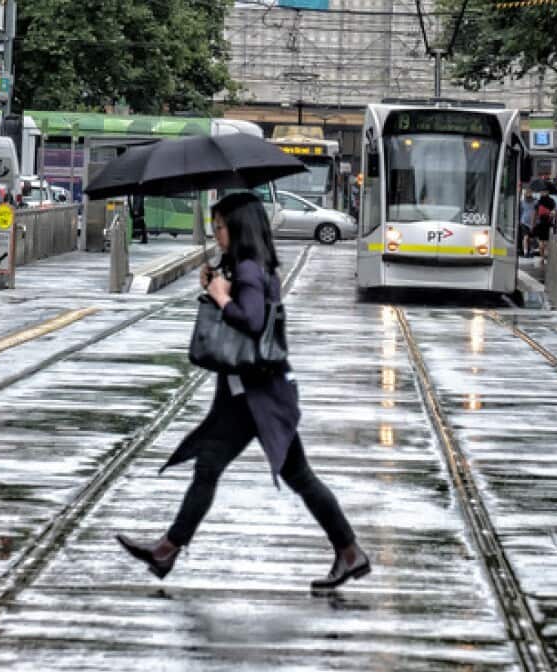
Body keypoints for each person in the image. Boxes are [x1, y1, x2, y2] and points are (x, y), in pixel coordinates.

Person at [115, 192, 368, 591]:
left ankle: (350, 551)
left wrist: (220, 296)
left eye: (220, 226)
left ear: (239, 228)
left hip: (258, 398)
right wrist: (217, 284)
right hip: (247, 396)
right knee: (211, 467)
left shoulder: (250, 269)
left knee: (295, 476)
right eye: (214, 226)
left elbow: (251, 320)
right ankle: (167, 549)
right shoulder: (250, 267)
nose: (216, 233)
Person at [519, 189, 537, 256]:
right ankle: (525, 252)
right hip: (524, 222)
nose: (528, 196)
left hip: (533, 223)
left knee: (531, 239)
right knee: (526, 237)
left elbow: (536, 213)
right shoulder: (522, 203)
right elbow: (520, 212)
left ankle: (531, 251)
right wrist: (520, 221)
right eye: (527, 194)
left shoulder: (535, 203)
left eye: (530, 194)